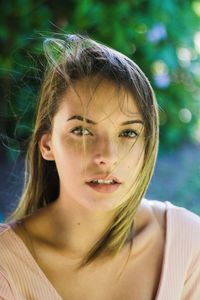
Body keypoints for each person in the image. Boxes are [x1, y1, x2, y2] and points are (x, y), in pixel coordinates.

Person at [0, 34, 200, 300]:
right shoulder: (6, 266)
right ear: (47, 145)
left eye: (128, 133)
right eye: (81, 130)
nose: (107, 156)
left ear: (147, 145)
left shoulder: (188, 246)